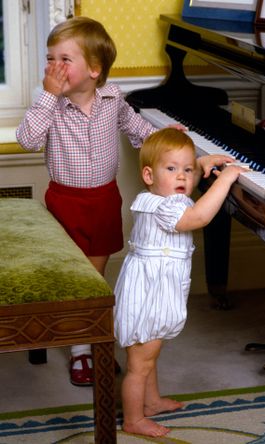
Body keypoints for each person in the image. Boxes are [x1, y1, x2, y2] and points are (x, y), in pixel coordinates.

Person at [16, 16, 226, 386]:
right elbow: (28, 139)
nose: (54, 67)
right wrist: (48, 95)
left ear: (94, 70)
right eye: (50, 58)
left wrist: (163, 137)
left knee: (94, 277)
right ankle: (81, 351)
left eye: (65, 59)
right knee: (74, 278)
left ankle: (88, 341)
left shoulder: (113, 99)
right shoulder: (50, 106)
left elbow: (137, 131)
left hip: (103, 199)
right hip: (65, 200)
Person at [113, 127, 249, 437]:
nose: (183, 178)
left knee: (150, 353)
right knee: (140, 362)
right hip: (149, 292)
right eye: (172, 169)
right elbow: (199, 217)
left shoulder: (155, 196)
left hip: (148, 285)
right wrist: (225, 179)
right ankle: (134, 418)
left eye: (187, 170)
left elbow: (182, 186)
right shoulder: (167, 207)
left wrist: (201, 165)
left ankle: (152, 402)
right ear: (149, 175)